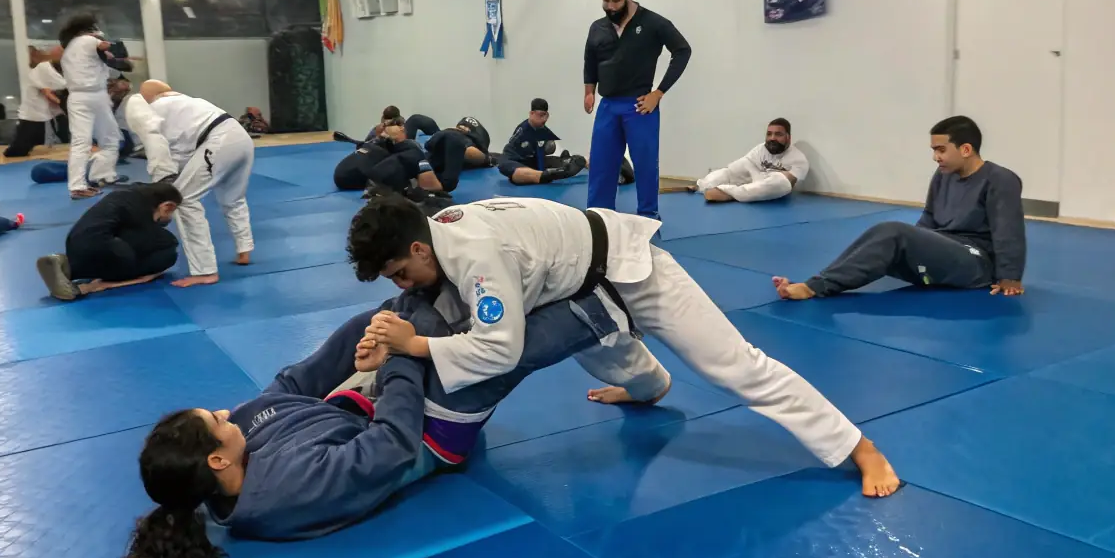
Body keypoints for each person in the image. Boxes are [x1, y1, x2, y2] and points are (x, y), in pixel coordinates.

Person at [113, 280, 665, 558]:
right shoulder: (286, 494)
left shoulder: (230, 458)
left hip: (366, 402)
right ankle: (607, 303)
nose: (224, 410)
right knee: (499, 352)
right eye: (215, 419)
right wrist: (402, 354)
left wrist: (377, 328)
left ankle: (620, 350)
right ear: (217, 458)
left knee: (416, 304)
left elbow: (288, 387)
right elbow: (393, 444)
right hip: (427, 434)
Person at [351, 195, 901, 498]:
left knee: (736, 367)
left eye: (400, 272)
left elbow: (500, 351)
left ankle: (858, 446)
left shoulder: (473, 254)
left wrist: (417, 345)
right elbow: (473, 312)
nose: (402, 286)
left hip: (634, 272)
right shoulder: (442, 232)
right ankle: (651, 384)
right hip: (572, 282)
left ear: (419, 245)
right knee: (591, 345)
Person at [775, 115, 1026, 300]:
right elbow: (929, 218)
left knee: (892, 231)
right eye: (933, 150)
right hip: (946, 252)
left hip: (975, 263)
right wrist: (917, 246)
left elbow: (1008, 231)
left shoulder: (1000, 179)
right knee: (880, 234)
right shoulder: (943, 175)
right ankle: (816, 281)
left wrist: (1010, 278)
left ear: (966, 149)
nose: (935, 157)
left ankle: (813, 288)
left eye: (941, 150)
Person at [584, 0, 691, 220]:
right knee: (601, 165)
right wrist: (589, 90)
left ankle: (647, 218)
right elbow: (590, 59)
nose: (610, 6)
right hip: (608, 105)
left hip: (640, 106)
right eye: (604, 0)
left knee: (644, 166)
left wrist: (659, 92)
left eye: (616, 0)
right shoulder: (598, 27)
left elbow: (683, 50)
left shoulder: (654, 23)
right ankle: (599, 217)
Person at [133, 80, 255, 288]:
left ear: (147, 99)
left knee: (184, 199)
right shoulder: (189, 102)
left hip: (219, 141)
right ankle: (244, 250)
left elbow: (167, 154)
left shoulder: (155, 110)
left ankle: (205, 271)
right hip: (241, 139)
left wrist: (161, 190)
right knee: (233, 198)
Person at [36, 181, 182, 300]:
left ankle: (69, 268)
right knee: (168, 251)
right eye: (170, 212)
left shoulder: (127, 195)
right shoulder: (142, 213)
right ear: (167, 206)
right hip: (104, 249)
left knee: (118, 240)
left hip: (75, 244)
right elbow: (165, 240)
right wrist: (102, 285)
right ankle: (82, 273)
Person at [59, 13, 125, 199]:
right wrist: (110, 49)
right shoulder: (88, 40)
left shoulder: (70, 48)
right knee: (107, 139)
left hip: (81, 96)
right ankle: (86, 182)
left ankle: (99, 176)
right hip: (93, 95)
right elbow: (111, 48)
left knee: (90, 140)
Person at [692, 118, 809, 203]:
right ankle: (702, 185)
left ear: (788, 137)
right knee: (733, 168)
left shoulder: (798, 159)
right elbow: (744, 166)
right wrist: (755, 176)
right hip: (755, 182)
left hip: (773, 189)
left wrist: (760, 179)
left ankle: (729, 193)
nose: (772, 138)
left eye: (778, 134)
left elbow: (788, 183)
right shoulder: (761, 148)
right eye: (769, 134)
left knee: (781, 182)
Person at [499, 99, 586, 186]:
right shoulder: (523, 130)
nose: (544, 119)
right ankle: (551, 174)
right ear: (531, 114)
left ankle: (563, 164)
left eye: (546, 116)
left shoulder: (542, 130)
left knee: (554, 160)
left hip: (530, 161)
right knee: (515, 171)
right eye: (540, 115)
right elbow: (514, 149)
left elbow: (540, 154)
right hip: (513, 160)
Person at [3, 46, 66, 158]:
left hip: (42, 111)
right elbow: (49, 91)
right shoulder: (43, 68)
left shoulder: (53, 69)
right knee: (18, 150)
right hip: (34, 111)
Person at [333, 118, 422, 191]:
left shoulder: (373, 142)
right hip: (349, 178)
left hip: (340, 174)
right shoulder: (395, 150)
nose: (402, 129)